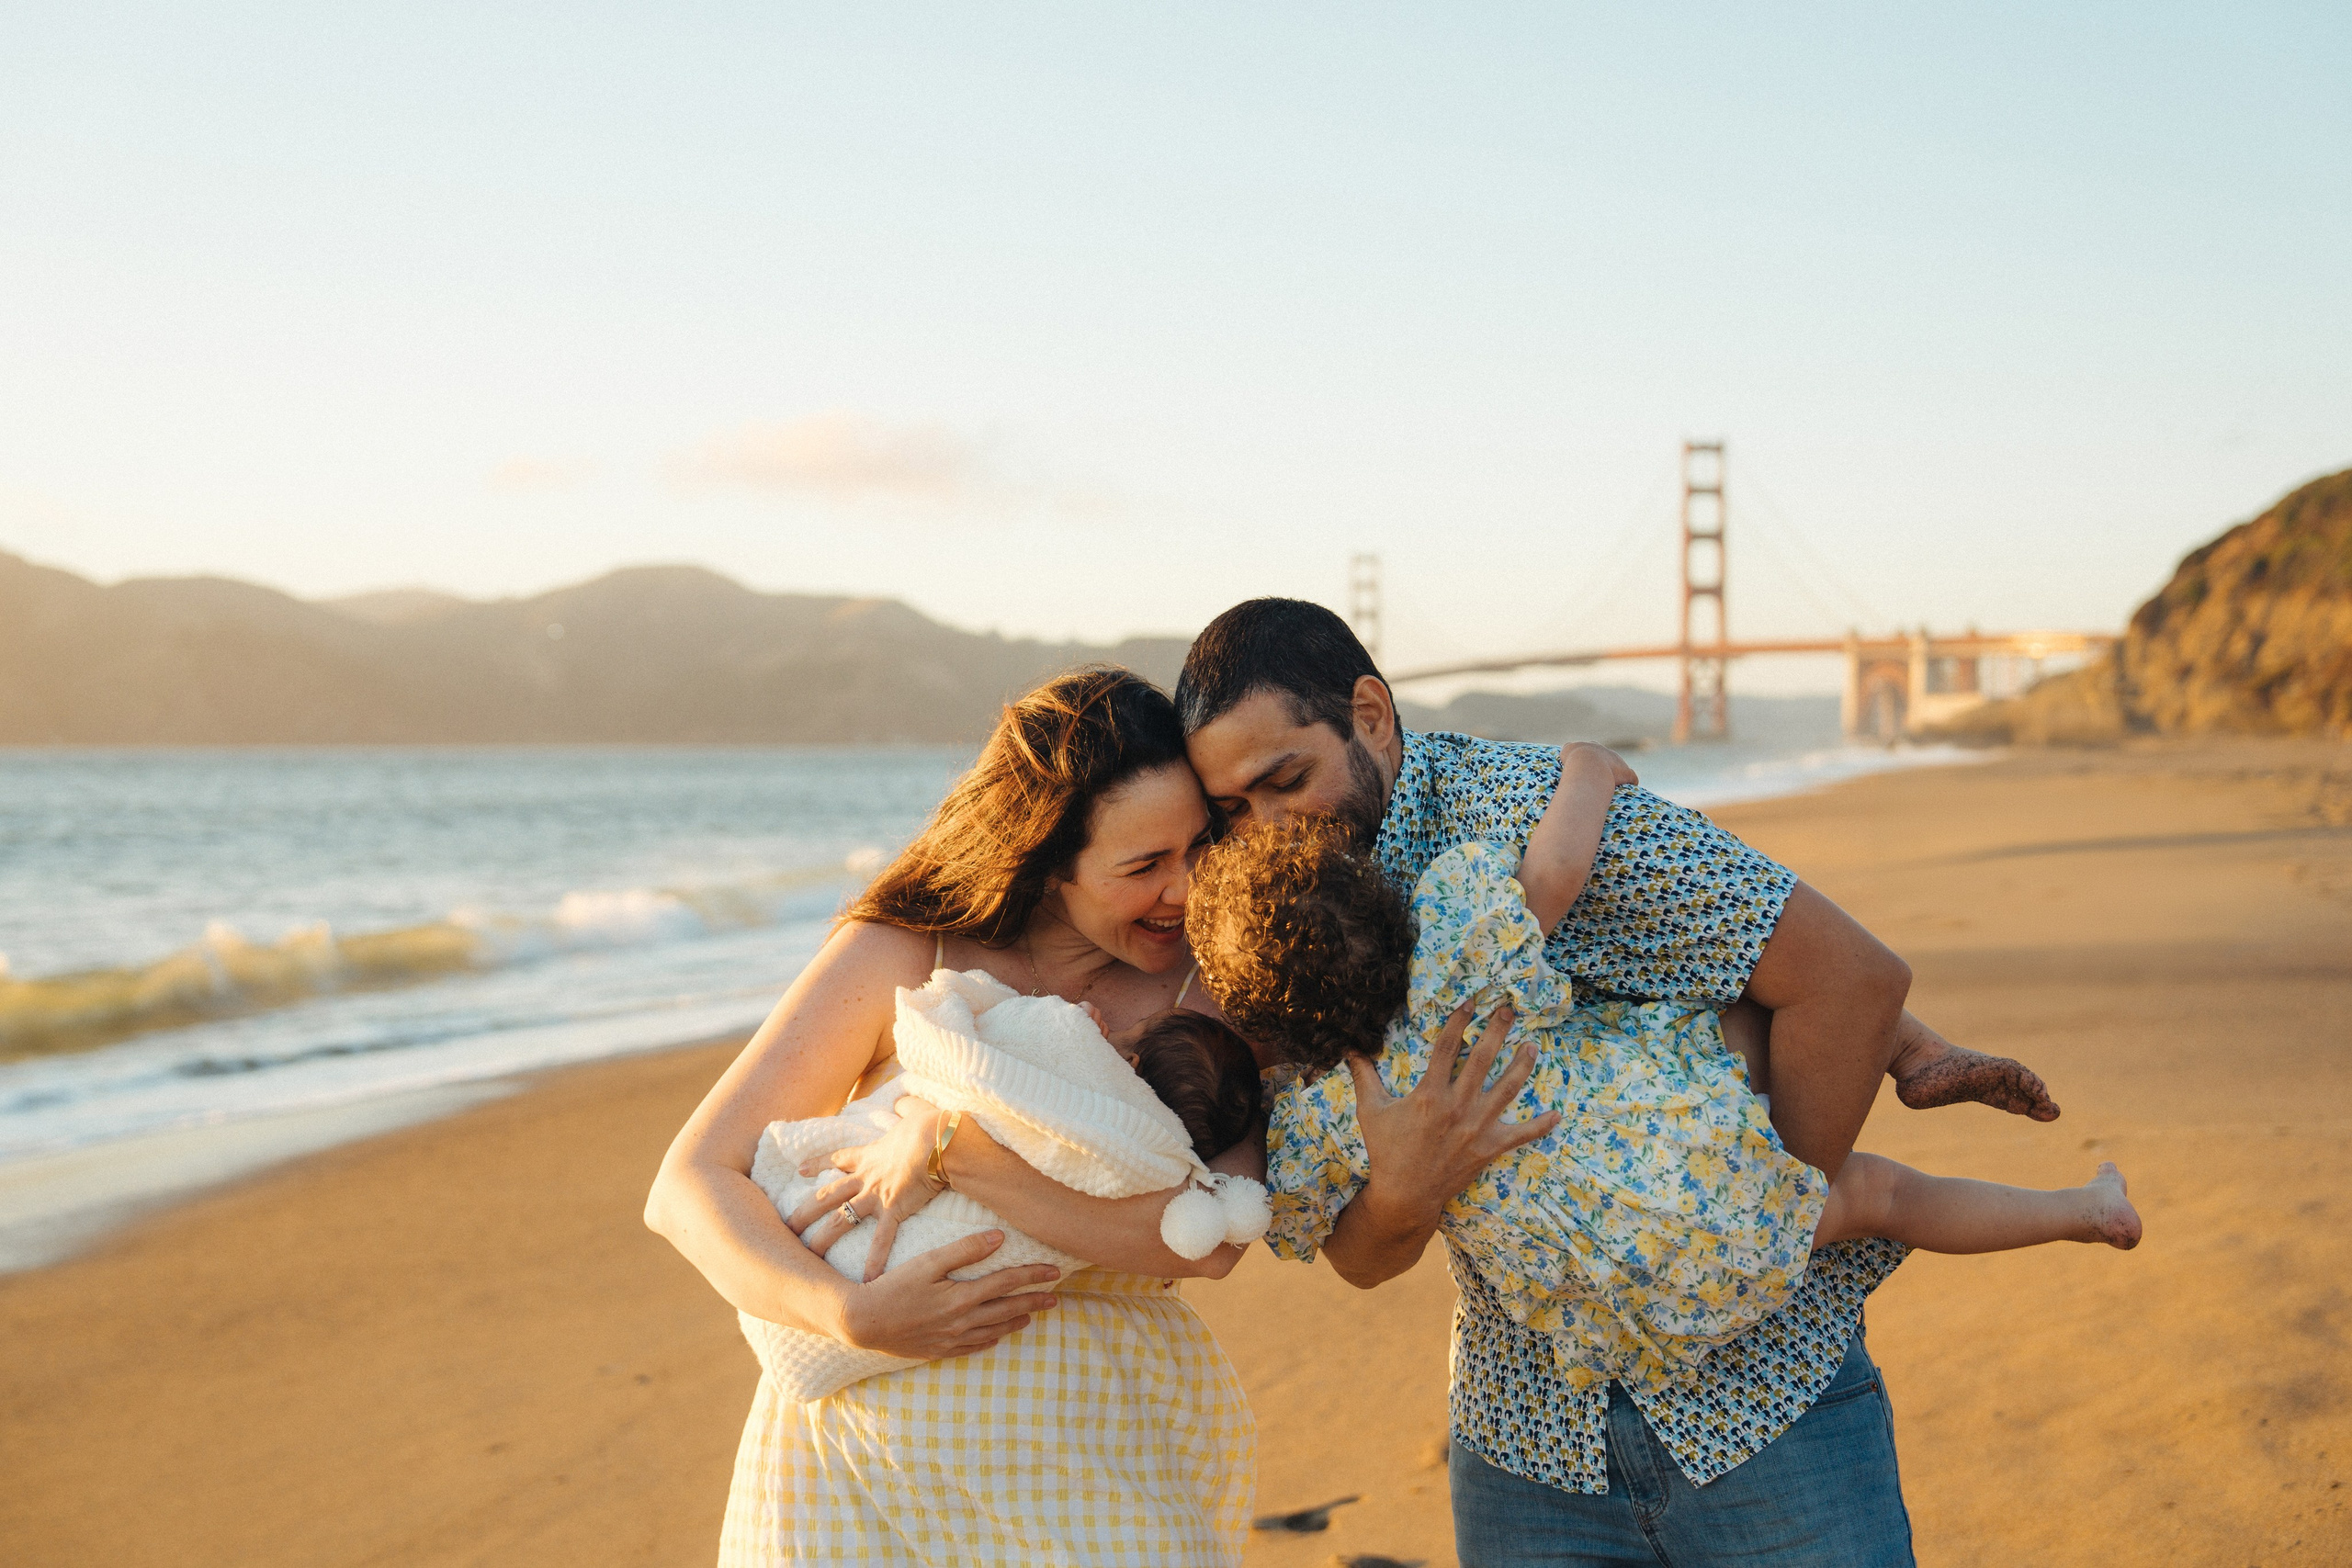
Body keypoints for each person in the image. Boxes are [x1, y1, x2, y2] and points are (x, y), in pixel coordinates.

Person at [1172, 597, 2060, 1566]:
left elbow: (1856, 980)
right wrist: (1404, 1181)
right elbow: (1363, 1257)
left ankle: (1961, 1111)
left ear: (1372, 715)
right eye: (1230, 811)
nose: (1262, 828)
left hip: (1761, 1412)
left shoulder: (1520, 814)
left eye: (1283, 780)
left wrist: (1742, 1225)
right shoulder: (1277, 929)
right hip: (1527, 1441)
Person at [1186, 813, 2141, 1398]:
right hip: (1690, 1156)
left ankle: (2045, 1173)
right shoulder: (1453, 946)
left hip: (1638, 1305)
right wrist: (1591, 771)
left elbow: (1296, 1216)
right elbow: (1557, 872)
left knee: (1877, 1197)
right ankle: (2072, 1200)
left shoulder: (1312, 1117)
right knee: (1726, 1023)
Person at [645, 668, 1262, 1566]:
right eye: (1143, 866)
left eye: (1196, 849)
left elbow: (1206, 1244)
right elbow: (689, 1184)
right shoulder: (904, 952)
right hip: (857, 1462)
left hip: (1090, 1450)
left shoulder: (1207, 984)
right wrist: (852, 1317)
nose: (1184, 890)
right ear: (1051, 863)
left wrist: (952, 1149)